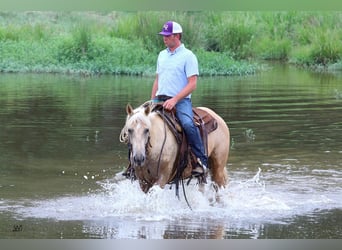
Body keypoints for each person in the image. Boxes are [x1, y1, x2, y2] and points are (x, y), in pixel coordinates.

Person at [151, 20, 208, 177]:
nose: (164, 38)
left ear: (176, 36)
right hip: (160, 100)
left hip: (180, 101)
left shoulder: (188, 56)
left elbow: (192, 84)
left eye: (167, 36)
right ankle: (132, 166)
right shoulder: (161, 55)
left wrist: (175, 99)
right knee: (138, 123)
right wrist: (151, 101)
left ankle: (199, 161)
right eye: (163, 36)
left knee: (188, 125)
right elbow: (157, 79)